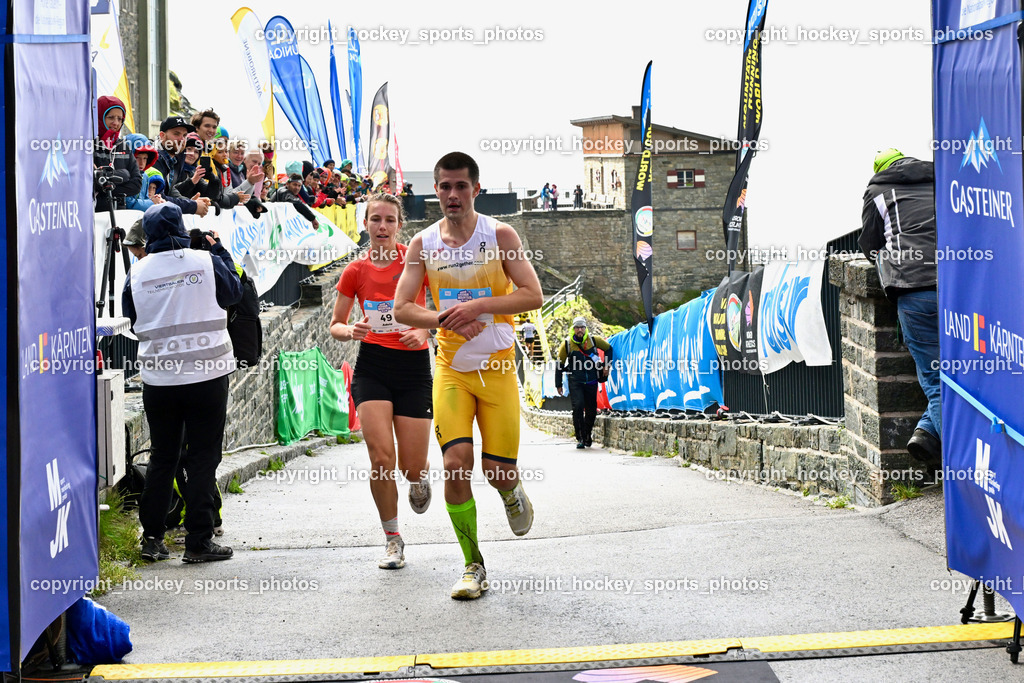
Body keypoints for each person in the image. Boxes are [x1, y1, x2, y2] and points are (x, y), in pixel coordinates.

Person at [395, 151, 543, 600]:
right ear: (435, 191)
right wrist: (445, 319)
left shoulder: (499, 235)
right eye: (444, 186)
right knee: (455, 464)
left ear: (476, 189)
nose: (453, 195)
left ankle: (511, 489)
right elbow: (402, 308)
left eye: (461, 186)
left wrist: (477, 307)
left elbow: (532, 294)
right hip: (452, 370)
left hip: (497, 368)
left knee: (496, 471)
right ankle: (472, 565)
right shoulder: (422, 244)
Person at [122, 203, 242, 563]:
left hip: (160, 378)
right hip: (207, 374)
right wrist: (217, 248)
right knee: (204, 458)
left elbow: (131, 317)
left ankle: (153, 538)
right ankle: (198, 541)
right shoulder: (206, 260)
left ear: (149, 234)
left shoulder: (137, 271)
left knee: (163, 457)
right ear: (182, 227)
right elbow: (233, 293)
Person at [330, 193, 433, 570]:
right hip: (372, 366)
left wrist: (424, 334)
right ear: (365, 224)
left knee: (411, 466)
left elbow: (440, 308)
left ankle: (419, 480)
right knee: (380, 458)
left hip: (413, 369)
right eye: (375, 220)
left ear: (399, 225)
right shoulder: (355, 271)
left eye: (389, 220)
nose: (382, 227)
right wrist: (350, 330)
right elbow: (336, 324)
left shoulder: (417, 261)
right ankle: (393, 539)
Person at [859, 148, 941, 472]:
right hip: (959, 291)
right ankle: (926, 433)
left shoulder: (878, 190)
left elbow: (869, 244)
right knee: (967, 373)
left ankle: (966, 474)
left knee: (936, 379)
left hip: (914, 293)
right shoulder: (941, 180)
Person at [555, 317, 613, 449]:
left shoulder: (594, 340)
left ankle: (587, 434)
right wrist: (558, 384)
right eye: (577, 327)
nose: (580, 330)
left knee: (592, 410)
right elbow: (559, 364)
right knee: (578, 407)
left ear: (585, 328)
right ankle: (580, 437)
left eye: (582, 327)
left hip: (591, 381)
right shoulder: (567, 344)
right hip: (576, 382)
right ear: (573, 329)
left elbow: (609, 349)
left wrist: (607, 366)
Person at [93, 96, 142, 212]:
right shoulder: (88, 145)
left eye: (120, 119)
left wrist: (106, 187)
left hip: (119, 212)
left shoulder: (124, 146)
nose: (116, 123)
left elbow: (136, 184)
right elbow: (89, 183)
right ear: (99, 117)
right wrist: (124, 175)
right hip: (94, 214)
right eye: (111, 117)